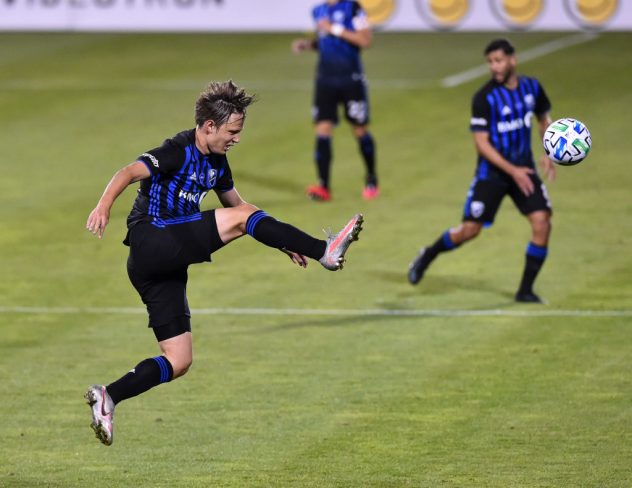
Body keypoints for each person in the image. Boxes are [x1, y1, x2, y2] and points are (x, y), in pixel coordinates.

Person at [84, 80, 364, 446]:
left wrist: (281, 243)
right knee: (245, 218)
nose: (236, 138)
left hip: (161, 266)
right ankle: (324, 251)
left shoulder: (217, 162)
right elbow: (127, 172)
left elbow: (239, 208)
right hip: (151, 238)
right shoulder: (176, 149)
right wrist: (103, 207)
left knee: (179, 359)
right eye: (232, 131)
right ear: (209, 126)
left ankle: (109, 397)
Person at [407, 38, 555, 303]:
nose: (494, 67)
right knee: (470, 230)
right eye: (490, 62)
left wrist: (549, 150)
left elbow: (544, 118)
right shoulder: (484, 98)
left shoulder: (532, 87)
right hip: (493, 175)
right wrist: (513, 170)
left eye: (498, 60)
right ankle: (428, 255)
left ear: (513, 59)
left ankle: (525, 291)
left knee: (542, 222)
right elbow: (481, 143)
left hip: (524, 170)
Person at [292, 0, 379, 202]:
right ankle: (323, 186)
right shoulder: (318, 10)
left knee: (359, 129)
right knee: (322, 129)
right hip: (325, 80)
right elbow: (326, 42)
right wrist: (309, 44)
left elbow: (365, 40)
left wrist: (335, 28)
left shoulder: (352, 8)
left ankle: (371, 178)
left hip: (351, 79)